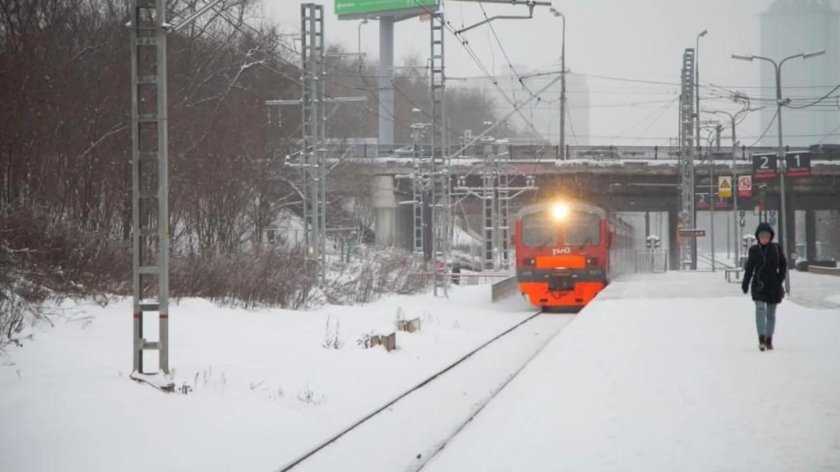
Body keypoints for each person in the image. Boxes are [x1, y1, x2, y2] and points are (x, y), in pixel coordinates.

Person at [741, 222, 787, 351]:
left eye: (767, 236)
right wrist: (745, 283)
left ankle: (769, 339)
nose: (764, 239)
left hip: (773, 285)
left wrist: (780, 278)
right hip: (759, 285)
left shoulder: (776, 249)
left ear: (770, 237)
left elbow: (783, 264)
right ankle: (761, 338)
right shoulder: (754, 251)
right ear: (758, 237)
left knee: (771, 314)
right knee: (760, 311)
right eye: (762, 236)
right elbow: (749, 268)